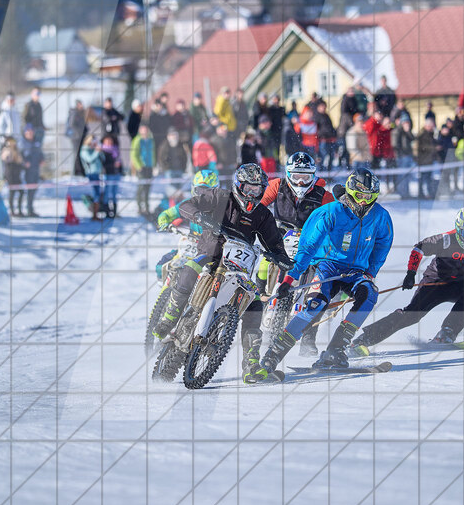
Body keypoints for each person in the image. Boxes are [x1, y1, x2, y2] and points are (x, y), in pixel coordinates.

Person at [153, 163, 292, 380]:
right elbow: (187, 205)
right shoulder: (219, 197)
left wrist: (281, 258)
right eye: (248, 188)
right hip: (211, 254)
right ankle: (170, 318)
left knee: (255, 303)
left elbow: (274, 241)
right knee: (190, 269)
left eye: (257, 190)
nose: (252, 194)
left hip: (241, 266)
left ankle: (251, 364)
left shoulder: (262, 214)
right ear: (238, 185)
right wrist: (199, 216)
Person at [251, 168, 392, 378]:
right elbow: (307, 248)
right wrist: (291, 277)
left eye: (369, 197)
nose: (364, 202)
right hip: (328, 267)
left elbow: (383, 244)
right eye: (360, 196)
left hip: (356, 272)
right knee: (314, 306)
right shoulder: (330, 212)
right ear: (351, 192)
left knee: (370, 294)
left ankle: (336, 349)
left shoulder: (380, 216)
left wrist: (370, 272)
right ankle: (272, 357)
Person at [351, 207, 464, 352]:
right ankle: (363, 340)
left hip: (458, 286)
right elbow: (418, 248)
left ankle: (447, 332)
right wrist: (411, 273)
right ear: (459, 229)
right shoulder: (447, 240)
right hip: (434, 284)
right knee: (412, 315)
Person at [258, 152, 336, 355]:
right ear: (288, 174)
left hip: (310, 241)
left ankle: (309, 339)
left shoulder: (323, 195)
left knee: (318, 287)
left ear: (313, 176)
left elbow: (334, 219)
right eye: (296, 176)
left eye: (306, 177)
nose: (301, 182)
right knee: (265, 258)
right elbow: (260, 205)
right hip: (280, 234)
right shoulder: (277, 186)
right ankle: (260, 295)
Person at [130, 124, 156, 218]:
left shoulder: (150, 140)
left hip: (149, 167)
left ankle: (147, 207)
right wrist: (138, 166)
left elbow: (153, 153)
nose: (145, 132)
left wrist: (154, 165)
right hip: (141, 167)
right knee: (141, 187)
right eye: (143, 130)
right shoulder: (137, 140)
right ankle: (139, 207)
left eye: (146, 130)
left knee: (148, 188)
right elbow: (133, 154)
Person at [20, 125, 44, 217]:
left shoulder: (36, 142)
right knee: (29, 190)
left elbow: (40, 153)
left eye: (31, 131)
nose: (30, 133)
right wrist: (24, 163)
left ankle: (31, 208)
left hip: (36, 169)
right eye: (28, 132)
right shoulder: (22, 143)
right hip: (26, 171)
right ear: (25, 133)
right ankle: (28, 209)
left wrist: (42, 159)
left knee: (34, 189)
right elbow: (19, 156)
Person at [1, 136, 24, 216]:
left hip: (17, 174)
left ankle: (20, 210)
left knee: (21, 192)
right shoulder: (6, 150)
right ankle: (12, 211)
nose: (12, 143)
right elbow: (6, 159)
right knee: (12, 193)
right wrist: (10, 152)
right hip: (10, 175)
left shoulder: (17, 150)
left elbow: (20, 161)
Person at [101, 134, 122, 219]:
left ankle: (114, 212)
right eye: (107, 141)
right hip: (108, 174)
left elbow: (120, 162)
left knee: (114, 194)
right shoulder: (102, 151)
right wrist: (113, 165)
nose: (109, 142)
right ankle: (107, 212)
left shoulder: (116, 150)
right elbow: (103, 164)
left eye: (110, 141)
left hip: (116, 174)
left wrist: (120, 169)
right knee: (107, 193)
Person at [415, 119, 438, 199]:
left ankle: (429, 194)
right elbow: (422, 146)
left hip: (429, 160)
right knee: (423, 179)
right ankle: (422, 194)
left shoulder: (431, 134)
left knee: (428, 178)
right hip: (423, 160)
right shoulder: (422, 135)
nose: (432, 128)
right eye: (431, 126)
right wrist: (434, 148)